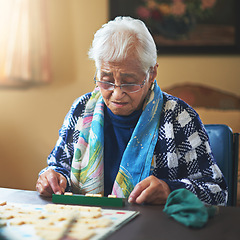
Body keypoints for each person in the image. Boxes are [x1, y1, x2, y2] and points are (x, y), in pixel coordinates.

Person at [36, 16, 227, 205]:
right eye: (106, 80)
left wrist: (171, 189)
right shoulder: (82, 109)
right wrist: (52, 178)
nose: (117, 93)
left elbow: (218, 193)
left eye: (129, 82)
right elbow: (57, 167)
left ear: (151, 73)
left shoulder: (179, 117)